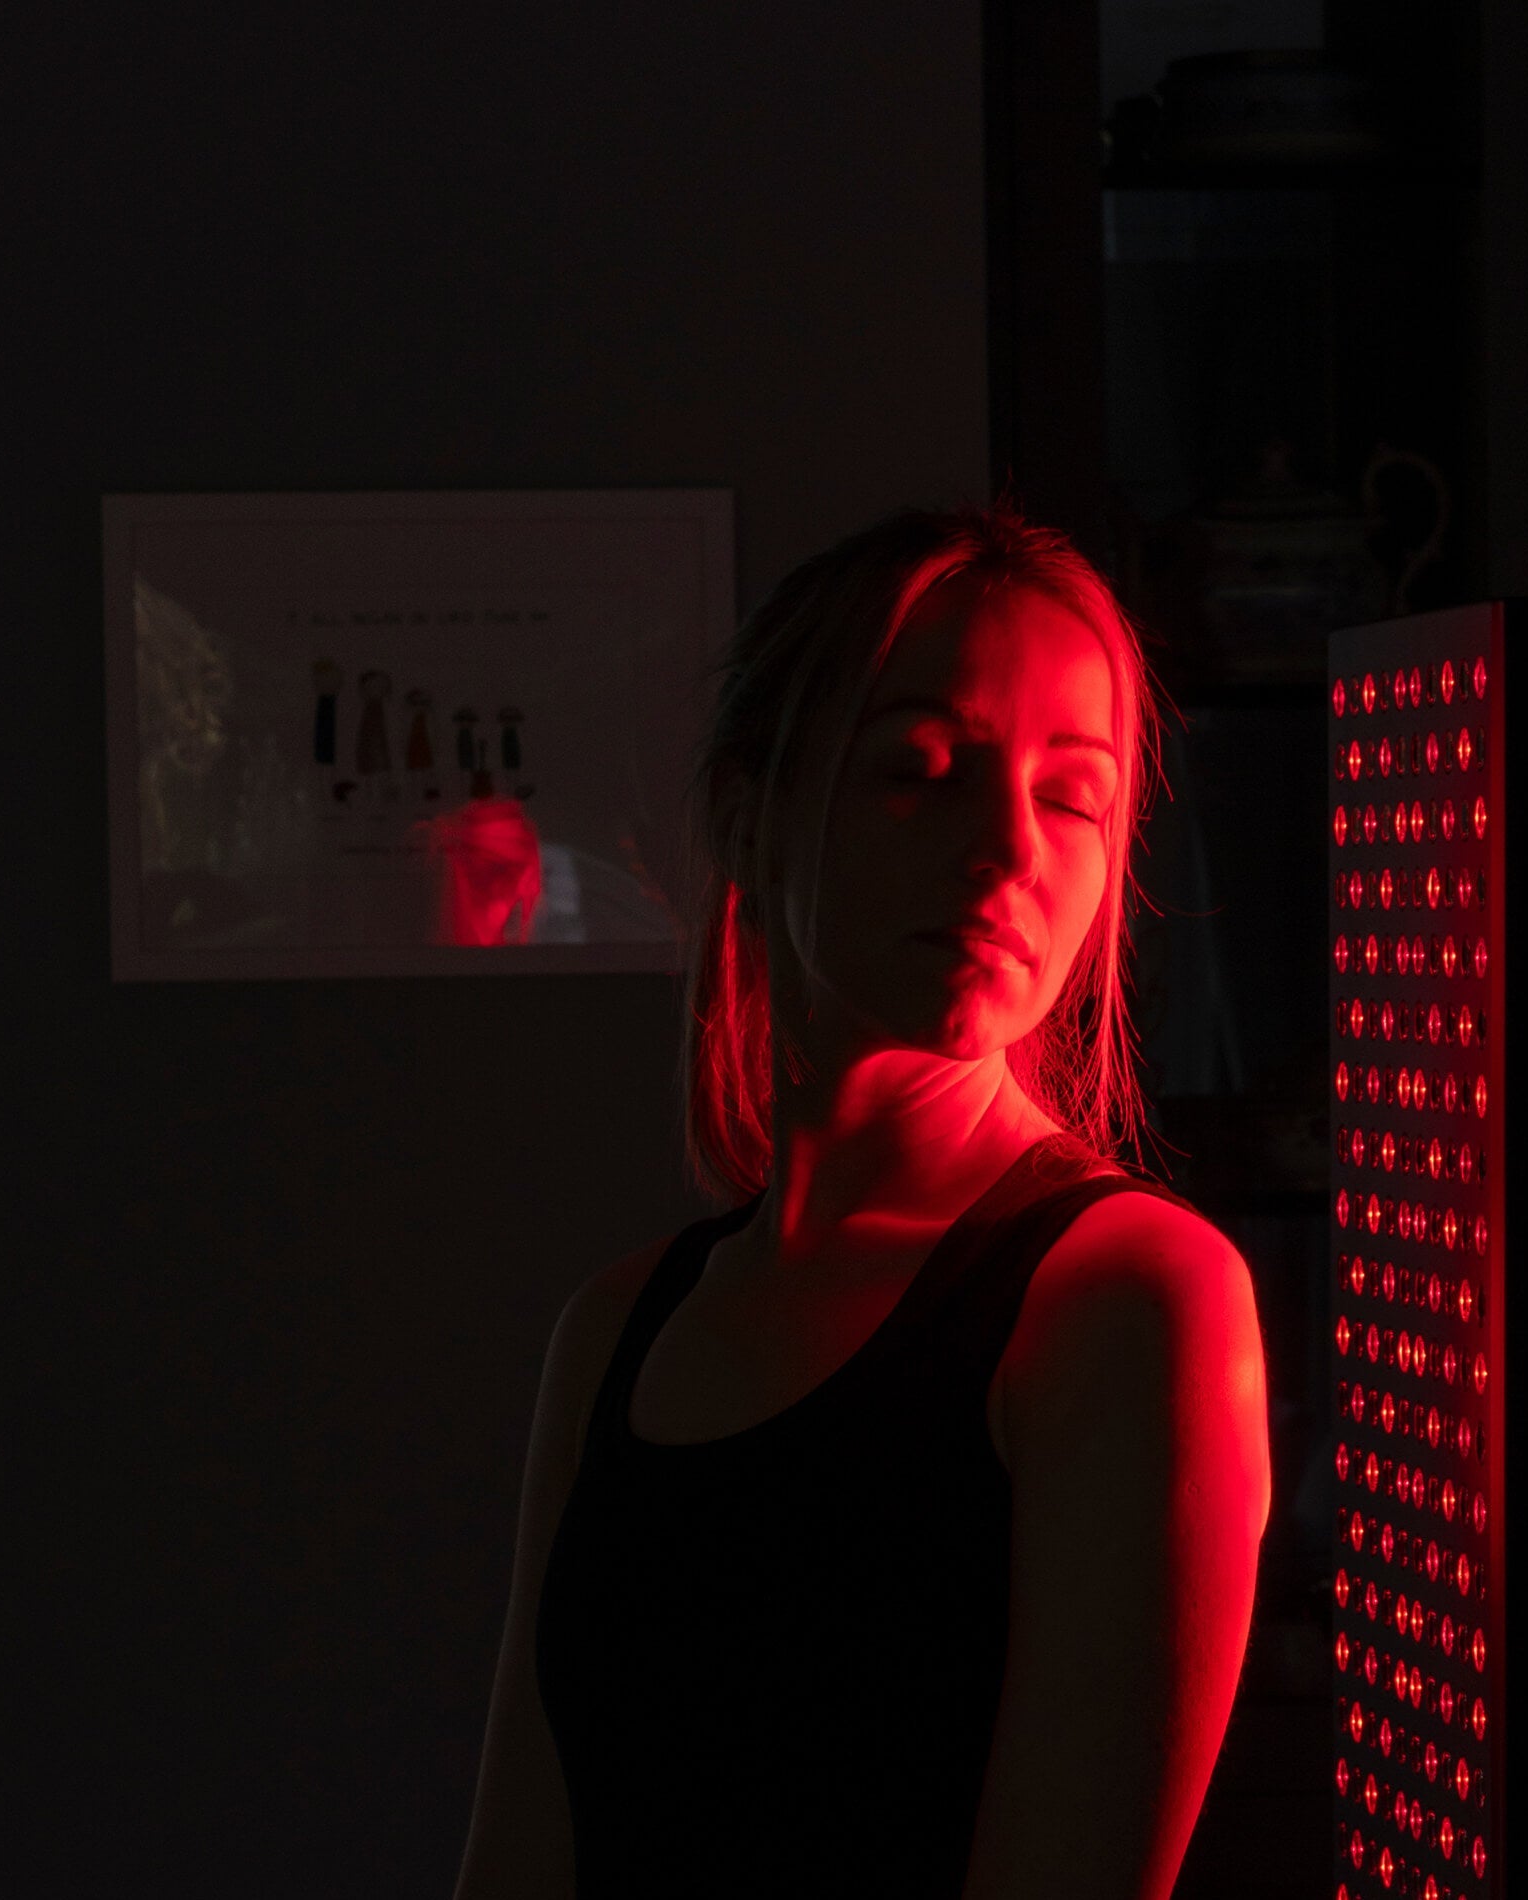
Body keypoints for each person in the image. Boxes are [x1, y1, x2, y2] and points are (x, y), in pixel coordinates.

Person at [452, 503, 1272, 1900]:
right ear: (752, 817)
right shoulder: (617, 1328)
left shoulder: (1127, 1299)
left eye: (1073, 795)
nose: (1008, 850)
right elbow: (519, 1856)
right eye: (922, 768)